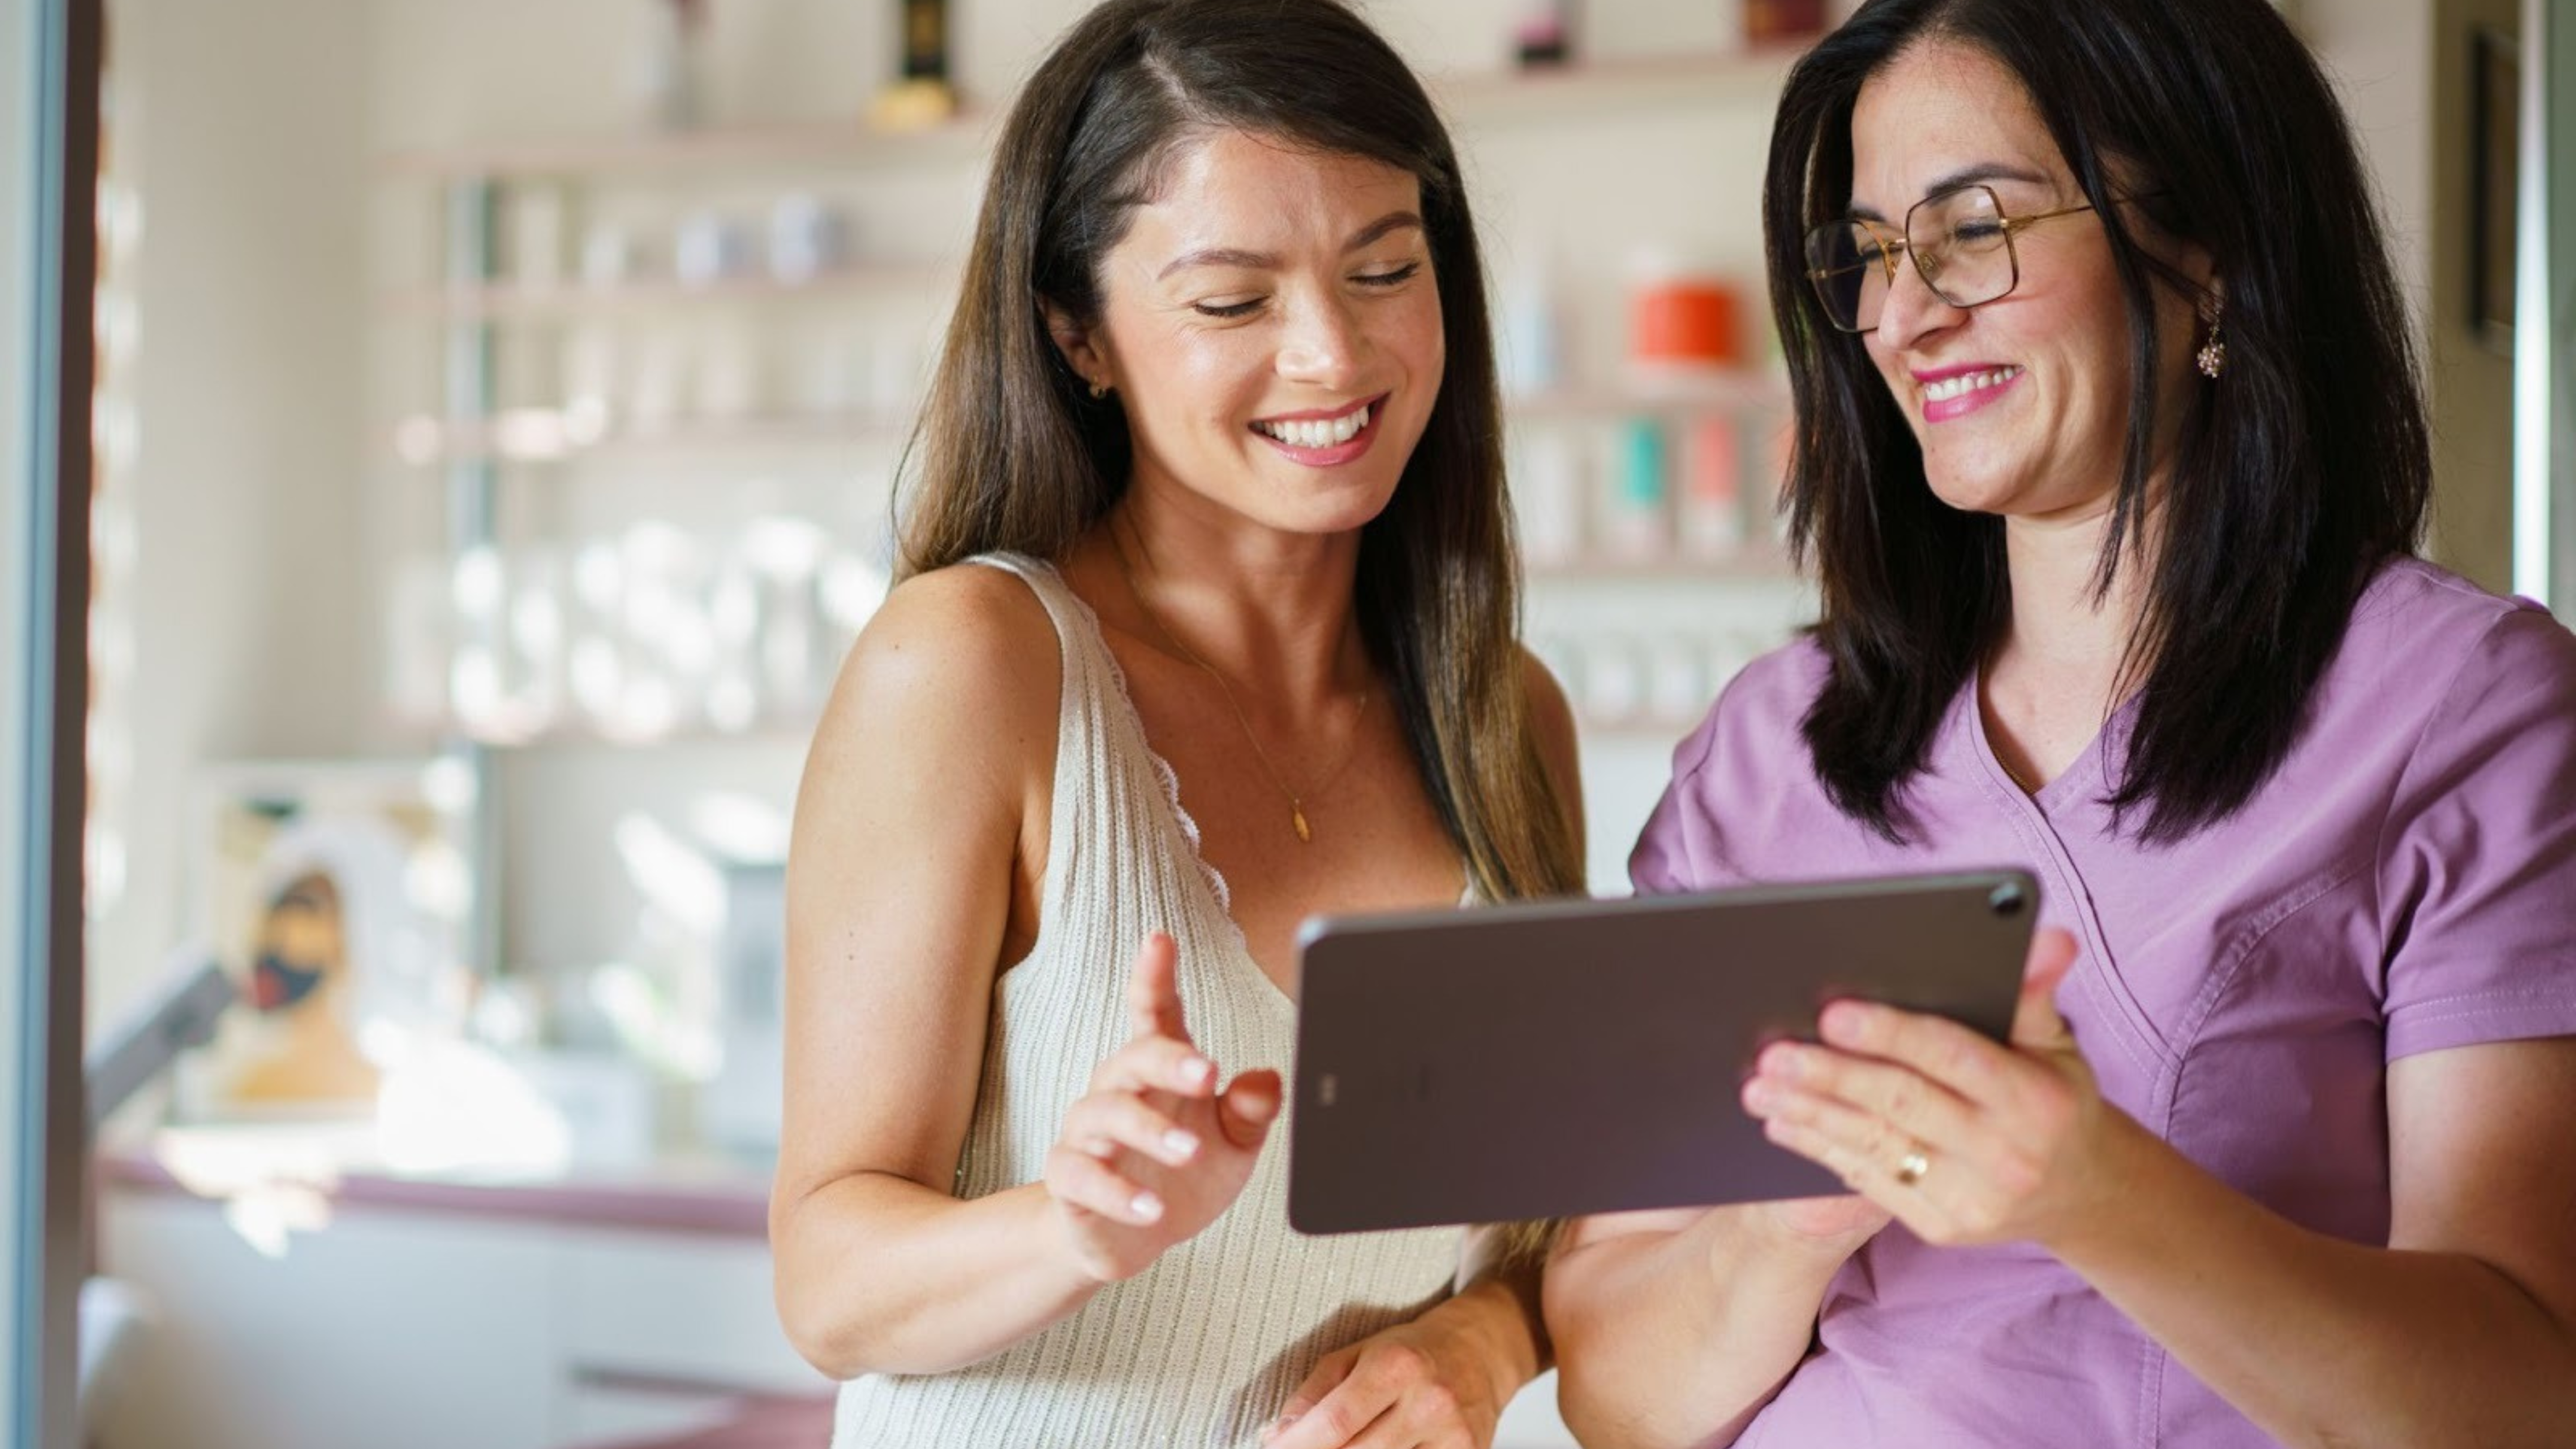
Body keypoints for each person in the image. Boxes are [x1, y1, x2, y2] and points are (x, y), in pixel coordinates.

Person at [1543, 0, 2576, 1445]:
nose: (1903, 315)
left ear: (2209, 242)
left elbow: (2524, 1398)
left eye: (1974, 227)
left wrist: (2090, 1191)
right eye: (1870, 255)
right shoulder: (1772, 744)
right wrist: (1795, 1219)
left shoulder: (2462, 709)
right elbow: (1614, 1393)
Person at [769, 0, 1586, 1444]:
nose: (1335, 354)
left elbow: (1536, 1223)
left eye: (1385, 268)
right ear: (1079, 333)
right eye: (1232, 300)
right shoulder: (975, 663)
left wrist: (1482, 1336)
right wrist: (1076, 1225)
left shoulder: (1505, 718)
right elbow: (828, 1277)